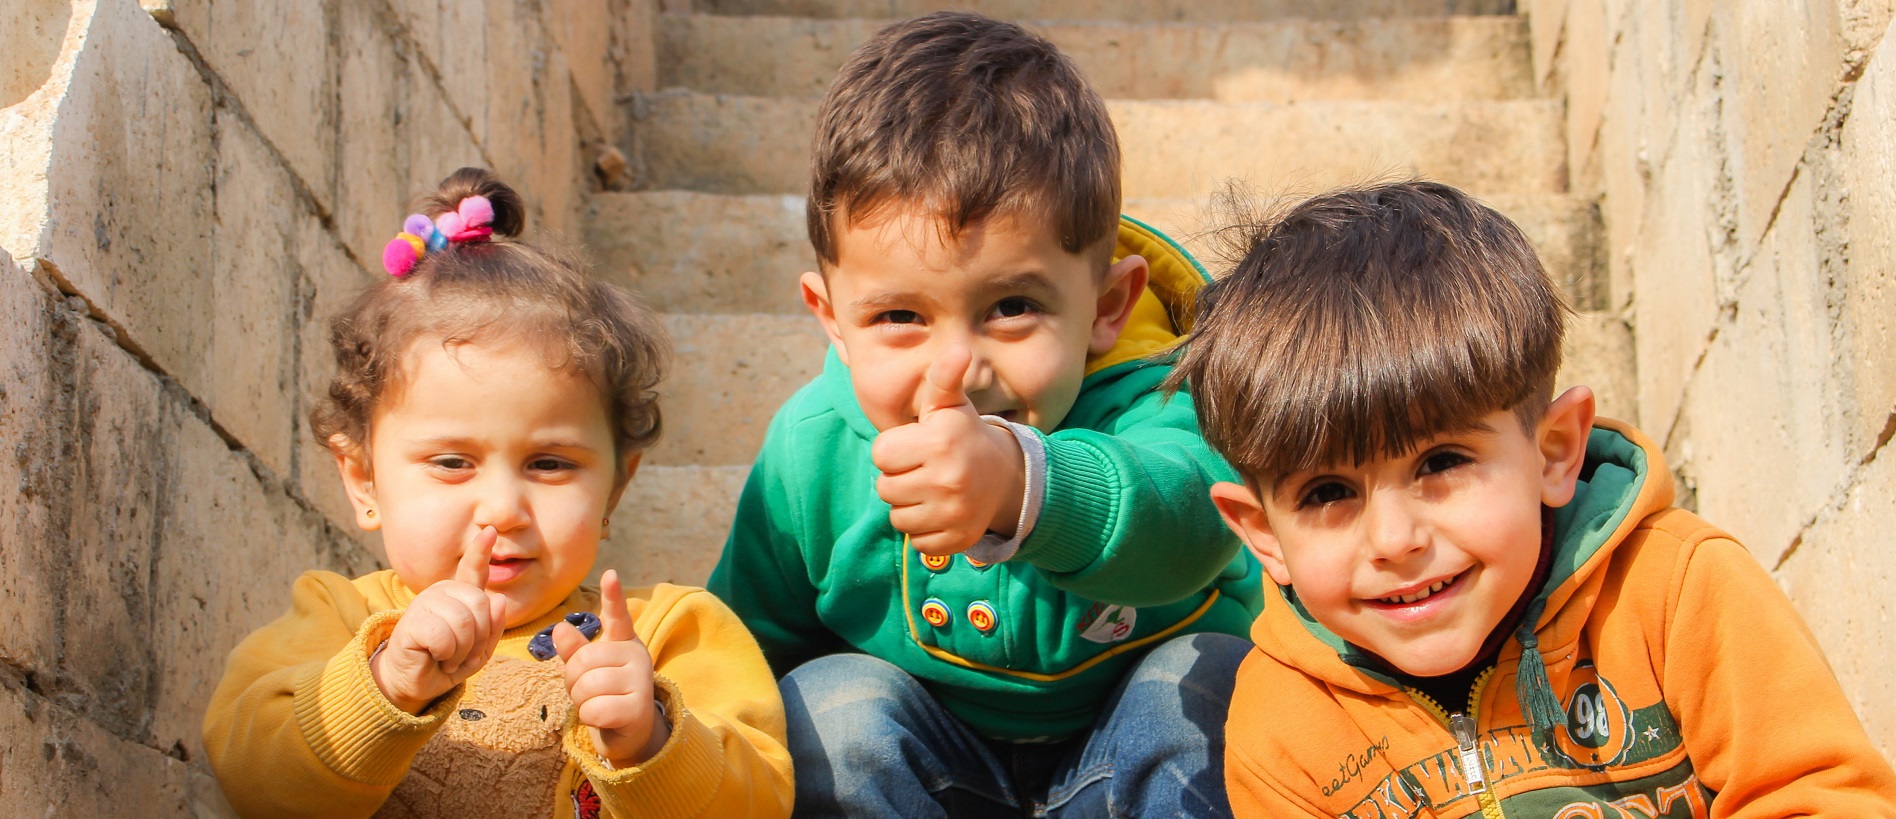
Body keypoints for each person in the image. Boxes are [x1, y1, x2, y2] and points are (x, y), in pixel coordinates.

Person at [1173, 179, 1896, 817]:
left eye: (1442, 461)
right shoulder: (1284, 727)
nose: (1393, 539)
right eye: (1329, 492)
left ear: (1554, 451)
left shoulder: (1678, 593)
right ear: (1263, 534)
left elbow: (1818, 794)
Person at [704, 12, 1261, 817]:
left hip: (1126, 755)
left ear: (1107, 305)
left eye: (1010, 306)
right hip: (929, 771)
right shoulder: (812, 446)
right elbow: (749, 645)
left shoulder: (1170, 399)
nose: (955, 369)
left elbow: (1186, 527)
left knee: (1206, 679)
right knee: (824, 706)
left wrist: (1024, 484)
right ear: (830, 317)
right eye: (899, 316)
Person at [201, 168, 794, 819]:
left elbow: (759, 801)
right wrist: (386, 683)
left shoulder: (670, 634)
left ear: (615, 488)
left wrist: (652, 739)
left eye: (548, 463)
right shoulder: (337, 621)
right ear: (363, 480)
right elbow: (260, 785)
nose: (504, 507)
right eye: (453, 462)